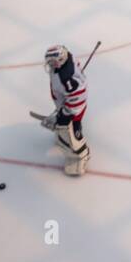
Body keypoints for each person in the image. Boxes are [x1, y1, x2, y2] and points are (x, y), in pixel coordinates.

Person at [38, 45, 90, 177]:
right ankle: (67, 134)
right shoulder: (66, 62)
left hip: (74, 110)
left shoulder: (66, 77)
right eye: (49, 62)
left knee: (70, 134)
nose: (51, 65)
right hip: (67, 104)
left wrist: (64, 115)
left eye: (54, 62)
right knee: (65, 129)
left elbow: (78, 97)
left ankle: (81, 155)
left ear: (61, 59)